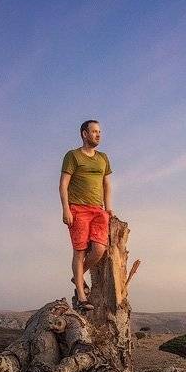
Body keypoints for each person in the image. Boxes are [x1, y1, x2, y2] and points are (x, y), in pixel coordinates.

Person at [59, 120, 112, 312]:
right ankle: (81, 296)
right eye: (94, 131)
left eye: (100, 131)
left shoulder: (103, 158)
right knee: (79, 251)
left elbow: (107, 185)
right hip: (78, 209)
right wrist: (66, 209)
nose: (98, 135)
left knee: (99, 249)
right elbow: (63, 184)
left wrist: (108, 208)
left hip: (98, 210)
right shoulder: (72, 156)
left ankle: (78, 276)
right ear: (84, 134)